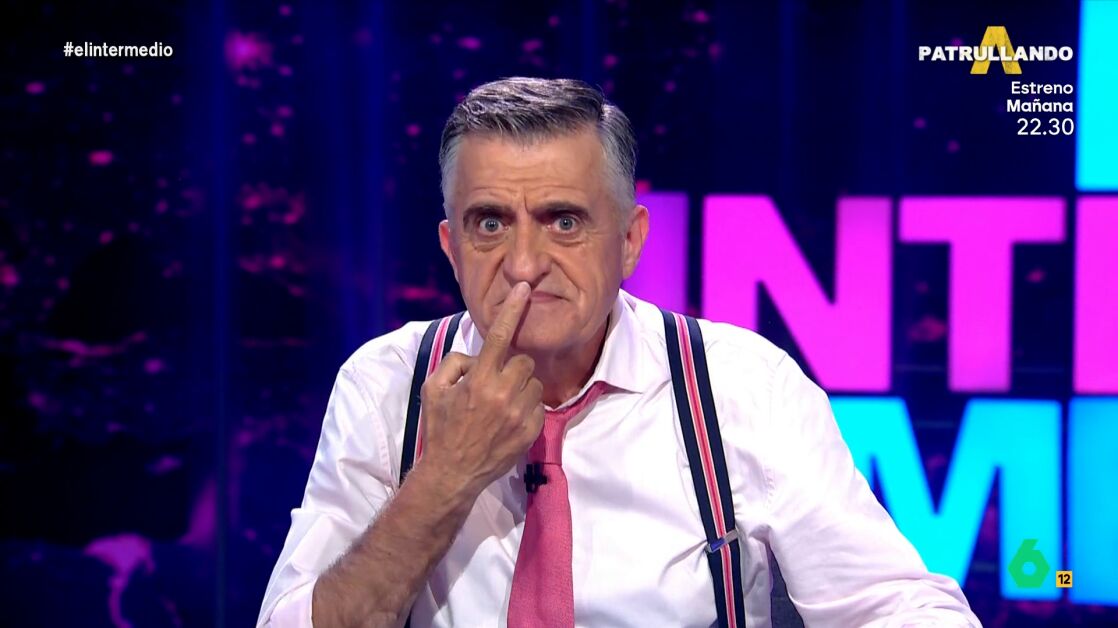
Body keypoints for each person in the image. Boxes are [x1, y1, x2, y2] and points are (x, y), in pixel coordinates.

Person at [258, 77, 980, 627]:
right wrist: (445, 476)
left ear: (630, 241)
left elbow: (899, 608)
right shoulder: (386, 384)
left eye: (563, 221)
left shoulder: (743, 387)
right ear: (451, 247)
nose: (523, 264)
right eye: (490, 224)